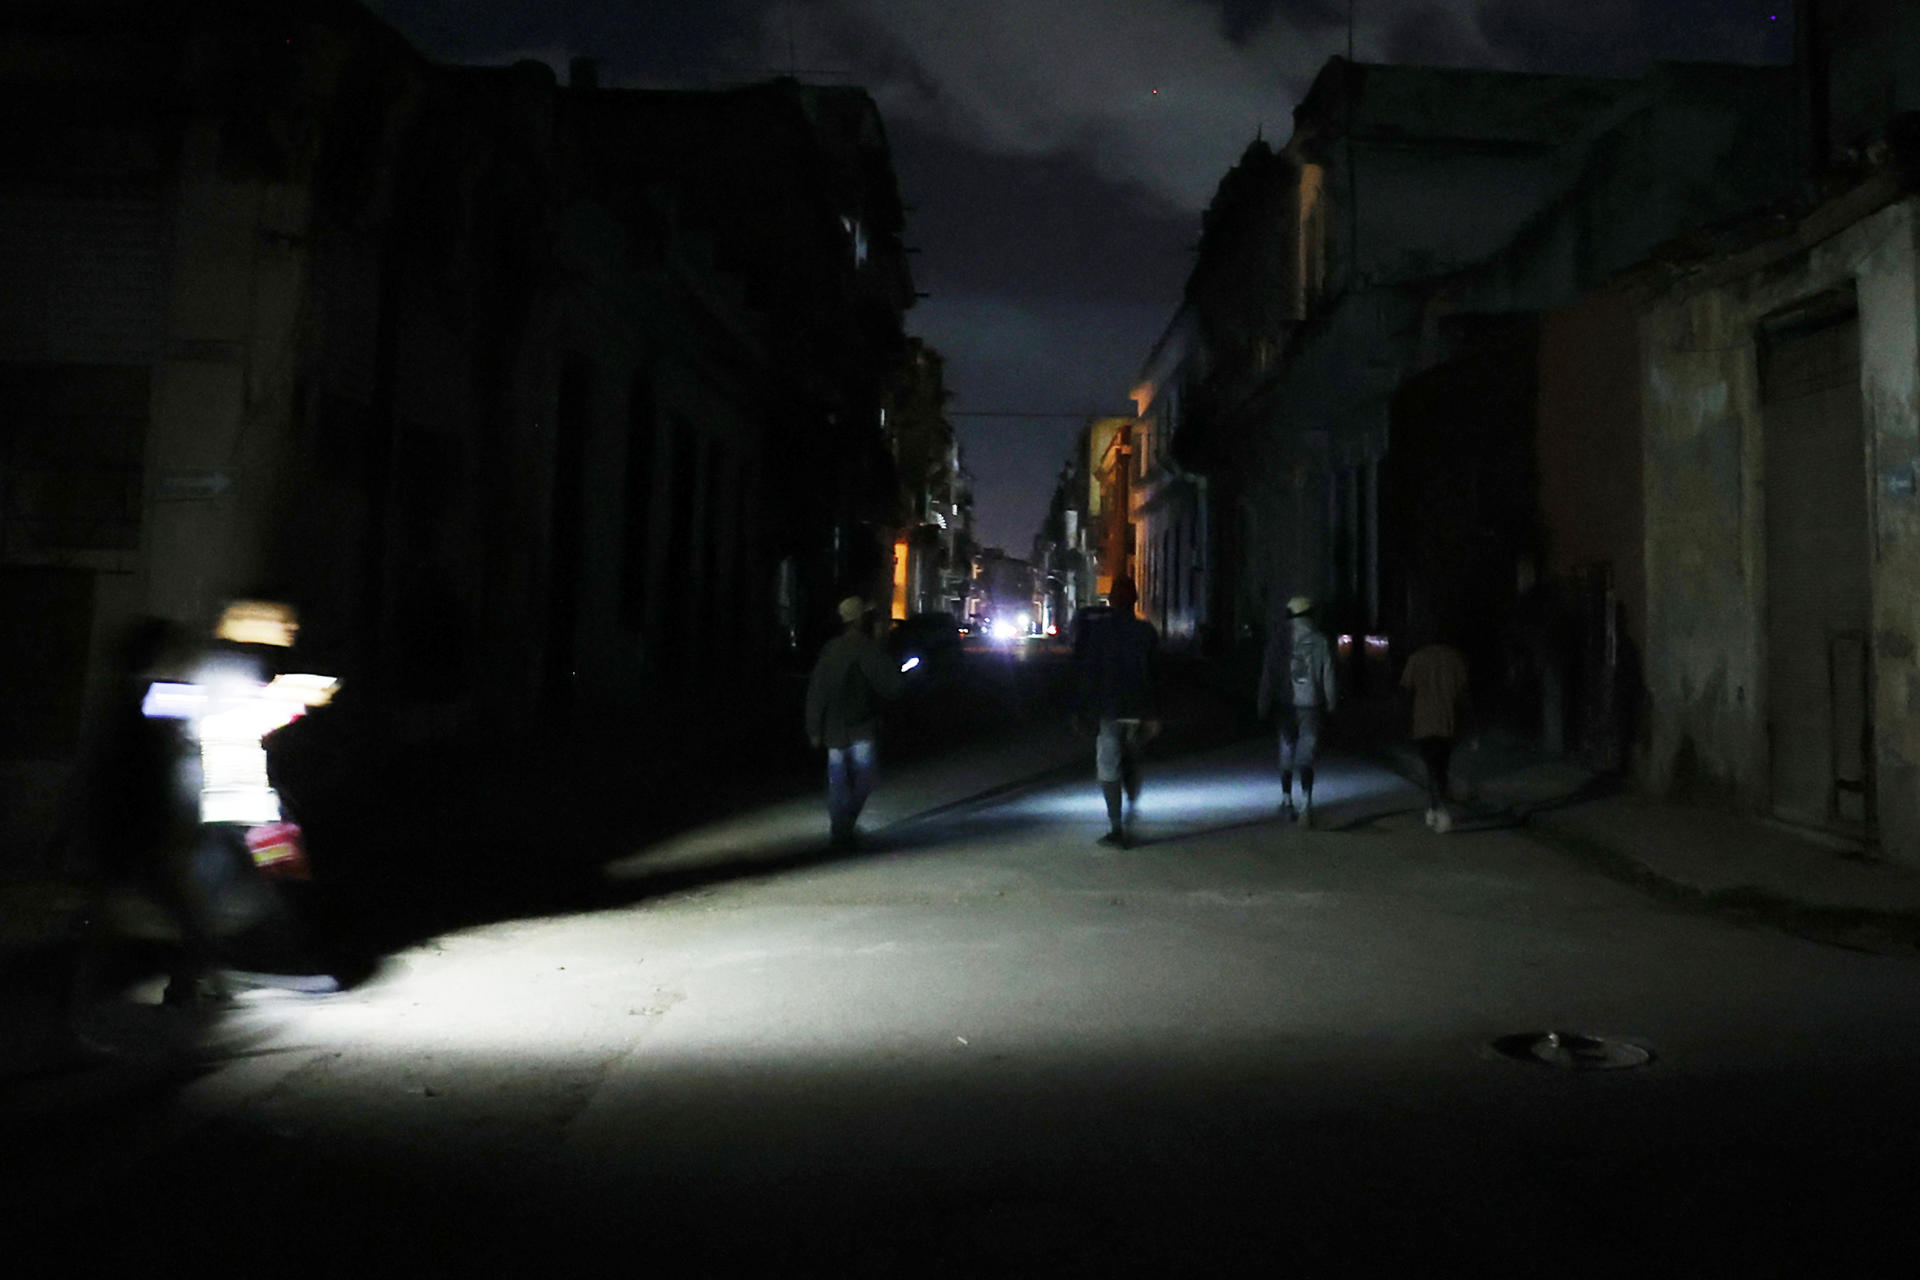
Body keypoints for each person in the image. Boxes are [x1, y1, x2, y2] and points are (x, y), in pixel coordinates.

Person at [805, 596, 904, 849]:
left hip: (834, 728)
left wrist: (814, 727)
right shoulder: (866, 648)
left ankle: (840, 829)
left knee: (837, 779)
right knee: (865, 777)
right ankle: (845, 824)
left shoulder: (831, 649)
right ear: (860, 618)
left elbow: (817, 690)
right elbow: (890, 686)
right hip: (861, 725)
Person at [1071, 576, 1159, 848]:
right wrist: (1154, 711)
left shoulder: (1099, 633)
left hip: (1109, 709)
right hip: (1137, 709)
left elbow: (1088, 674)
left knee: (1109, 768)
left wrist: (1081, 709)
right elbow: (1158, 675)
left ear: (1110, 601)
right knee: (1131, 759)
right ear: (1134, 601)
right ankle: (1130, 803)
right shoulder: (1146, 632)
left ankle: (1117, 827)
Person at [1256, 595, 1336, 828]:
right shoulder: (1320, 641)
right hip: (1311, 703)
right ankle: (1307, 804)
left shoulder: (1279, 640)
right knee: (1307, 751)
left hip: (1285, 703)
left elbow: (1268, 675)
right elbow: (1328, 675)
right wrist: (1331, 702)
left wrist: (1263, 703)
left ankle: (1286, 799)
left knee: (1286, 748)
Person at [1401, 636, 1471, 833]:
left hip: (1423, 721)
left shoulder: (1416, 658)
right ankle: (1435, 807)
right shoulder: (1454, 658)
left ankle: (1438, 808)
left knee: (1432, 767)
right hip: (1447, 721)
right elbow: (1463, 693)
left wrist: (1406, 722)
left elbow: (1406, 691)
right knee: (1442, 765)